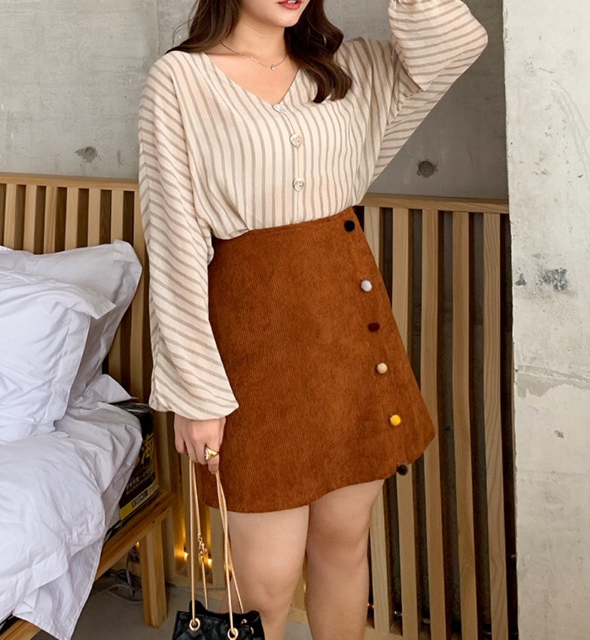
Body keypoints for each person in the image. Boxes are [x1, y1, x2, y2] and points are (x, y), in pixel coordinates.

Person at [138, 1, 487, 638]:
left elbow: (455, 43)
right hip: (252, 347)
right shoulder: (181, 80)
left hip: (347, 329)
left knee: (344, 545)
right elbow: (174, 238)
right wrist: (196, 393)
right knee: (264, 585)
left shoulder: (346, 68)